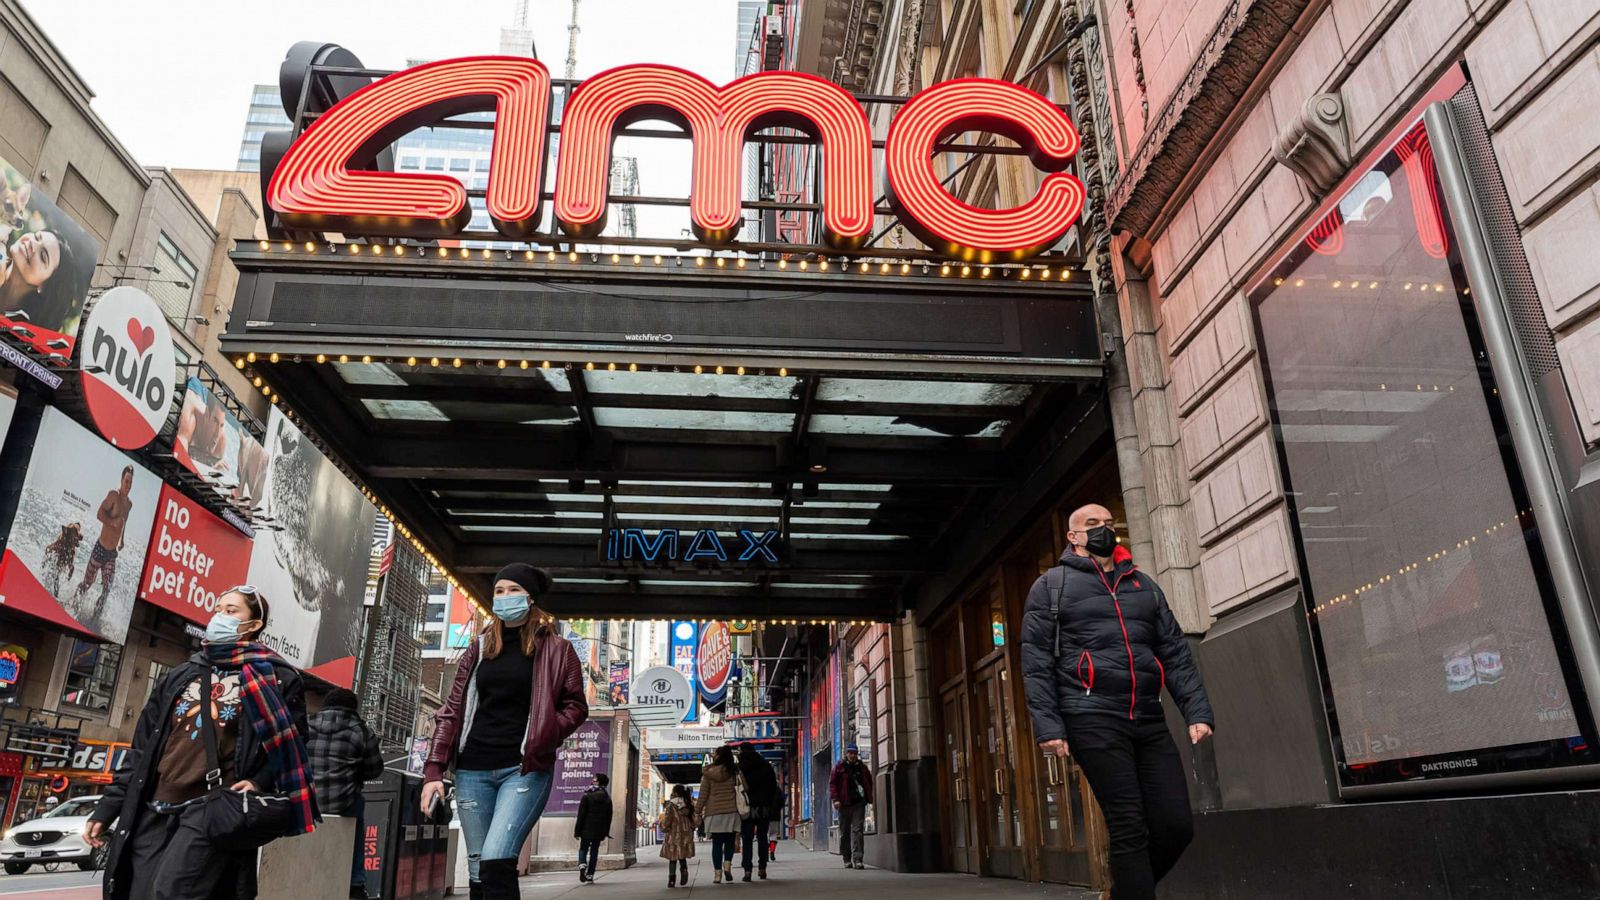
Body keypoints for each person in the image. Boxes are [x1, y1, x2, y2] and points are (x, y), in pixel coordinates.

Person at [1020, 504, 1214, 900]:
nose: (1103, 530)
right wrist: (1049, 727)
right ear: (1073, 537)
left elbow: (1175, 652)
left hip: (1147, 715)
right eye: (1092, 525)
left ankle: (1121, 892)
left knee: (1177, 826)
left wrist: (1196, 710)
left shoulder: (1142, 586)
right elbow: (1036, 662)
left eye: (1108, 523)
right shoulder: (1051, 587)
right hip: (1091, 717)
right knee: (1129, 825)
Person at [83, 586, 317, 900]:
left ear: (254, 624)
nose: (219, 617)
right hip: (154, 806)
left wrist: (260, 781)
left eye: (231, 611)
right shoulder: (181, 674)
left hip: (211, 810)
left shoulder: (277, 679)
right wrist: (106, 809)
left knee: (172, 892)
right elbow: (141, 750)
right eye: (218, 609)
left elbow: (293, 747)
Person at [422, 563, 588, 900]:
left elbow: (576, 705)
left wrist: (548, 731)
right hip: (472, 771)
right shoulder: (479, 648)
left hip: (523, 769)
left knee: (497, 859)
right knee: (478, 869)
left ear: (531, 599)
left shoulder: (557, 649)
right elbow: (452, 709)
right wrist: (433, 770)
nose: (504, 597)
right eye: (499, 591)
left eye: (513, 590)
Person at [308, 688, 386, 900]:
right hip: (344, 804)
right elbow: (374, 769)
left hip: (307, 803)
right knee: (358, 816)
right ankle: (355, 883)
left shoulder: (305, 725)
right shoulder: (361, 731)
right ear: (353, 708)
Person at [77, 465, 134, 616]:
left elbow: (124, 521)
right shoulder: (113, 495)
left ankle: (95, 618)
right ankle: (74, 603)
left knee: (107, 588)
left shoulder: (129, 504)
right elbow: (99, 514)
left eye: (130, 483)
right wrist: (112, 523)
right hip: (100, 548)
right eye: (126, 481)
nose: (128, 486)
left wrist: (122, 540)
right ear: (122, 480)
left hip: (111, 554)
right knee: (87, 583)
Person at [695, 745, 741, 884]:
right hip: (732, 811)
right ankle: (727, 866)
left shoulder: (708, 774)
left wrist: (697, 811)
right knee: (729, 842)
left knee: (717, 844)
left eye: (715, 753)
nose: (713, 755)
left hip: (714, 813)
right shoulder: (734, 772)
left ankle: (717, 875)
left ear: (718, 756)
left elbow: (703, 795)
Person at [736, 744, 779, 881]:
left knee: (747, 839)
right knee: (762, 838)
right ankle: (762, 868)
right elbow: (773, 786)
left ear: (742, 751)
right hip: (763, 807)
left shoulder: (740, 768)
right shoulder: (766, 765)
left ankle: (747, 870)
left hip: (747, 807)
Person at [828, 745, 872, 870]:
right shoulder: (839, 767)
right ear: (846, 753)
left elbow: (868, 782)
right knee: (845, 832)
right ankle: (846, 858)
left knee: (857, 831)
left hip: (858, 803)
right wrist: (836, 800)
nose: (852, 756)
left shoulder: (862, 767)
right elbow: (832, 784)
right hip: (844, 804)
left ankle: (858, 859)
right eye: (850, 753)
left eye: (854, 753)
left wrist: (868, 797)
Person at [573, 773, 613, 883]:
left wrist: (577, 831)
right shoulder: (607, 798)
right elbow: (608, 817)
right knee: (594, 851)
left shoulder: (587, 795)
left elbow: (581, 815)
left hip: (586, 828)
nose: (593, 780)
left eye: (595, 779)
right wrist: (606, 832)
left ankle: (582, 866)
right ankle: (590, 874)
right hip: (598, 830)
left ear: (599, 781)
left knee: (583, 848)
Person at [657, 784, 695, 888]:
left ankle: (672, 879)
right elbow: (695, 821)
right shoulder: (688, 805)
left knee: (672, 859)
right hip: (686, 835)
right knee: (682, 857)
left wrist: (662, 826)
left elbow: (666, 822)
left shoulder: (671, 805)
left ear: (675, 793)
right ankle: (684, 870)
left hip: (673, 835)